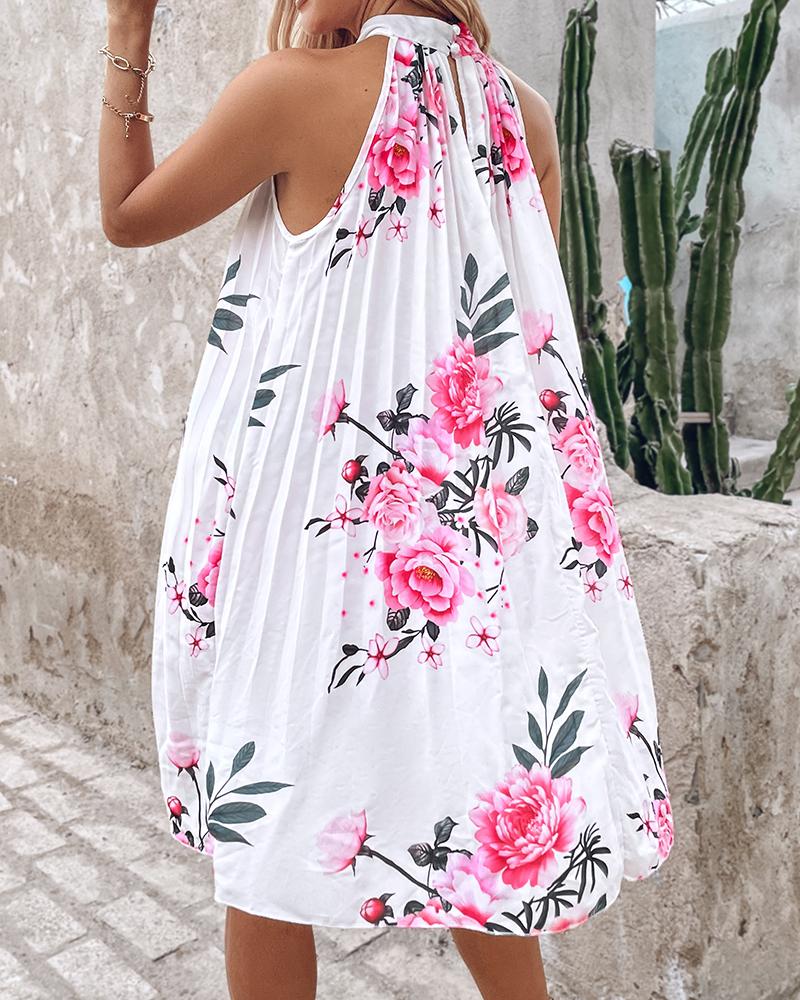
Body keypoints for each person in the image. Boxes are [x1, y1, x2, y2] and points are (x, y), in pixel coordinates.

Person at [98, 1, 674, 998]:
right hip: (467, 548)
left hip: (307, 537)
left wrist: (127, 30)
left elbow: (127, 213)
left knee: (269, 831)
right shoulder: (522, 115)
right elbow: (499, 328)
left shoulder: (289, 94)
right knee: (476, 820)